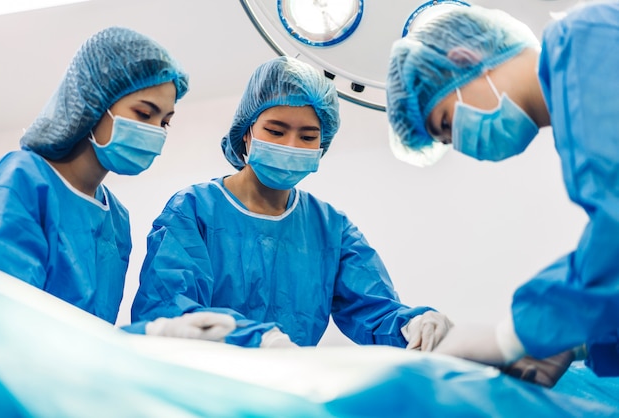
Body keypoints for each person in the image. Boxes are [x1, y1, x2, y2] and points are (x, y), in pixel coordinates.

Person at [129, 56, 453, 348]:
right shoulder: (194, 211)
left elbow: (374, 311)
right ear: (247, 132)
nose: (291, 144)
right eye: (276, 130)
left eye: (308, 136)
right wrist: (255, 341)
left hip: (288, 390)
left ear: (322, 144)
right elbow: (170, 311)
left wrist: (413, 326)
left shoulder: (330, 229)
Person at [385, 1, 619, 383]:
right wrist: (581, 340)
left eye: (446, 123)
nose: (459, 143)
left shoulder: (581, 40)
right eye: (446, 141)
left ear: (465, 58)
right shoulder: (575, 126)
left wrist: (511, 336)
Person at [0, 26, 234, 341]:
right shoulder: (23, 179)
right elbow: (7, 318)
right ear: (94, 100)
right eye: (144, 113)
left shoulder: (116, 218)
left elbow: (88, 332)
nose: (155, 131)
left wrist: (145, 337)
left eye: (165, 122)